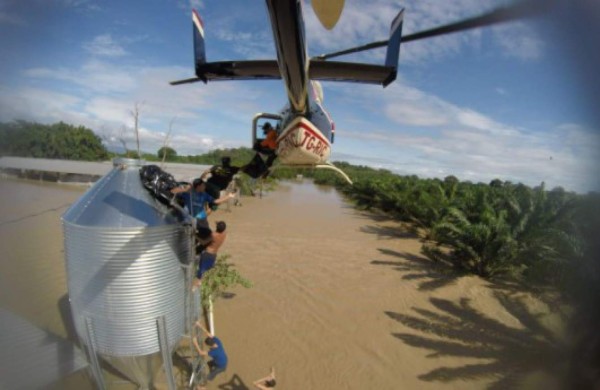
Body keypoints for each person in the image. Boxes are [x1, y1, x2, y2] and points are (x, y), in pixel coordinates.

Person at [194, 220, 227, 288]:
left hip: (207, 254)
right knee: (206, 272)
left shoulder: (213, 235)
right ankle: (203, 286)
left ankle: (196, 286)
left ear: (217, 227)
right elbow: (220, 229)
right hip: (213, 255)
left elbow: (203, 242)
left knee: (200, 272)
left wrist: (195, 235)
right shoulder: (224, 234)